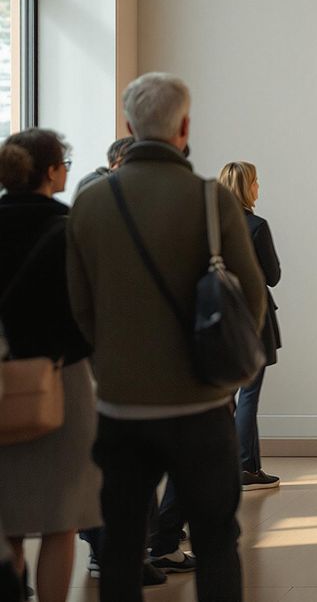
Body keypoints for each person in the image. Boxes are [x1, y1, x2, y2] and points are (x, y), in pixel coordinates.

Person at [67, 72, 266, 602]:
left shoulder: (89, 203)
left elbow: (79, 309)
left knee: (122, 548)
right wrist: (229, 380)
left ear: (131, 126)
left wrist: (110, 365)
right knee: (217, 541)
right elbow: (251, 300)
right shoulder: (210, 202)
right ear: (184, 126)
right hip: (201, 407)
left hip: (121, 408)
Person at [0, 129, 102, 602]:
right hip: (61, 380)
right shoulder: (69, 225)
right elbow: (86, 307)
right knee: (62, 518)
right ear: (51, 171)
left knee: (9, 520)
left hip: (2, 384)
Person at [218, 161, 283, 491]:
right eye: (256, 182)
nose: (259, 187)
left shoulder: (209, 227)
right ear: (246, 187)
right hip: (253, 317)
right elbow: (272, 275)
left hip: (217, 318)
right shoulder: (256, 226)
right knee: (249, 394)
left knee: (222, 395)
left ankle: (224, 465)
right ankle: (246, 466)